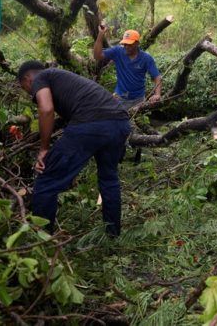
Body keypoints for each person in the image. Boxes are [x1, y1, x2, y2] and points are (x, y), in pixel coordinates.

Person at [17, 60, 131, 235]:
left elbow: (46, 109)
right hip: (120, 123)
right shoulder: (63, 78)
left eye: (24, 88)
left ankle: (41, 239)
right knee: (109, 179)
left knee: (46, 180)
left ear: (27, 79)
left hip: (91, 124)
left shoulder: (41, 77)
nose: (28, 93)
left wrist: (44, 149)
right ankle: (113, 235)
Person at [93, 26, 162, 109]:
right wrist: (101, 34)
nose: (126, 47)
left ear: (137, 43)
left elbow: (157, 76)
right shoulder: (118, 52)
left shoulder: (146, 58)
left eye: (130, 44)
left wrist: (157, 94)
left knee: (135, 121)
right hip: (120, 98)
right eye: (125, 44)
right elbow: (97, 56)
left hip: (138, 100)